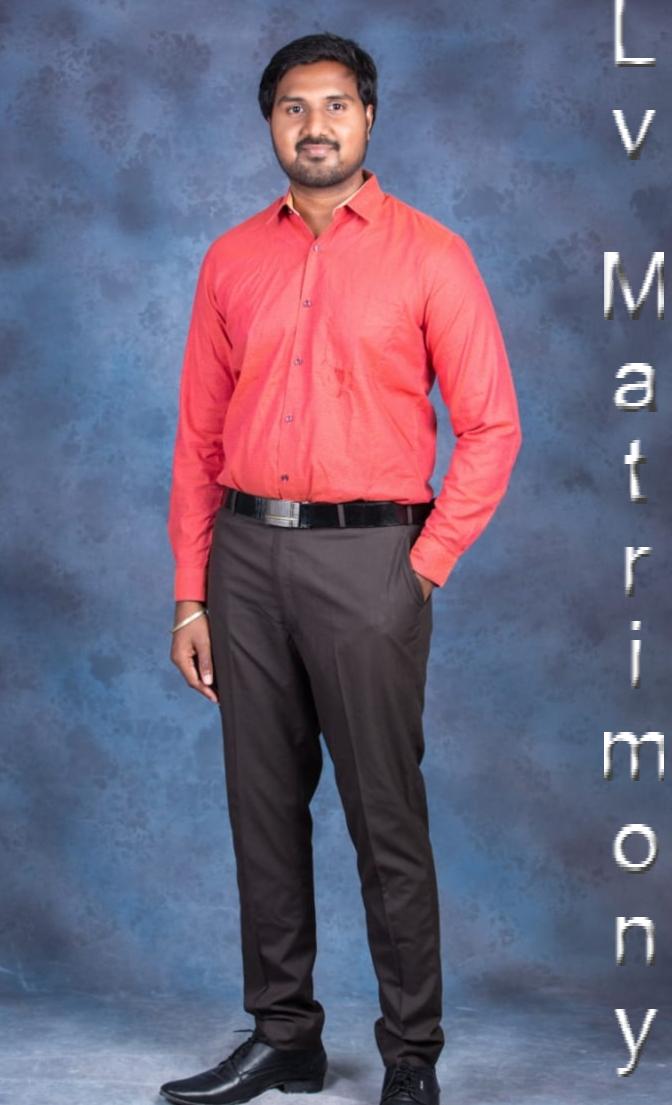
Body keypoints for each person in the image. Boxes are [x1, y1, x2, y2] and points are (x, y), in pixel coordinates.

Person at [161, 30, 522, 1105]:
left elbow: (493, 428)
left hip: (375, 560)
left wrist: (425, 565)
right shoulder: (231, 258)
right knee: (262, 808)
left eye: (334, 106)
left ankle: (412, 1054)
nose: (313, 126)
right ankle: (285, 1035)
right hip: (244, 558)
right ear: (270, 125)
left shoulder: (434, 255)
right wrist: (190, 593)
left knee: (384, 814)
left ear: (368, 118)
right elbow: (197, 439)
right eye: (293, 108)